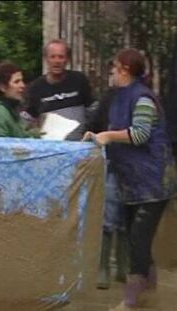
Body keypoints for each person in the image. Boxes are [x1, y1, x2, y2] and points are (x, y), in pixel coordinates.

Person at [83, 48, 177, 310]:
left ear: (124, 68)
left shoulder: (142, 98)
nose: (111, 71)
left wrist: (109, 136)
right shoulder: (120, 97)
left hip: (152, 183)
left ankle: (131, 302)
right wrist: (97, 136)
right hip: (133, 182)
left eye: (114, 67)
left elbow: (140, 134)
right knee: (139, 241)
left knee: (137, 242)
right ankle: (150, 295)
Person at [87, 73, 128, 290]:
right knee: (109, 214)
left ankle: (123, 266)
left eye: (118, 70)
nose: (112, 75)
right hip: (112, 162)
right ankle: (103, 267)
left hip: (134, 166)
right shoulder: (109, 98)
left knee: (127, 216)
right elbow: (95, 123)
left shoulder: (141, 98)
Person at [25, 39, 94, 140]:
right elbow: (29, 118)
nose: (57, 61)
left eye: (61, 57)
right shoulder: (36, 87)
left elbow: (92, 110)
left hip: (80, 145)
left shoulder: (79, 80)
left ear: (67, 59)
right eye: (52, 57)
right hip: (51, 147)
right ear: (46, 59)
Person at [0, 62, 35, 138]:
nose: (22, 85)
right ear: (2, 87)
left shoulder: (8, 109)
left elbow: (20, 135)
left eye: (22, 81)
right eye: (16, 82)